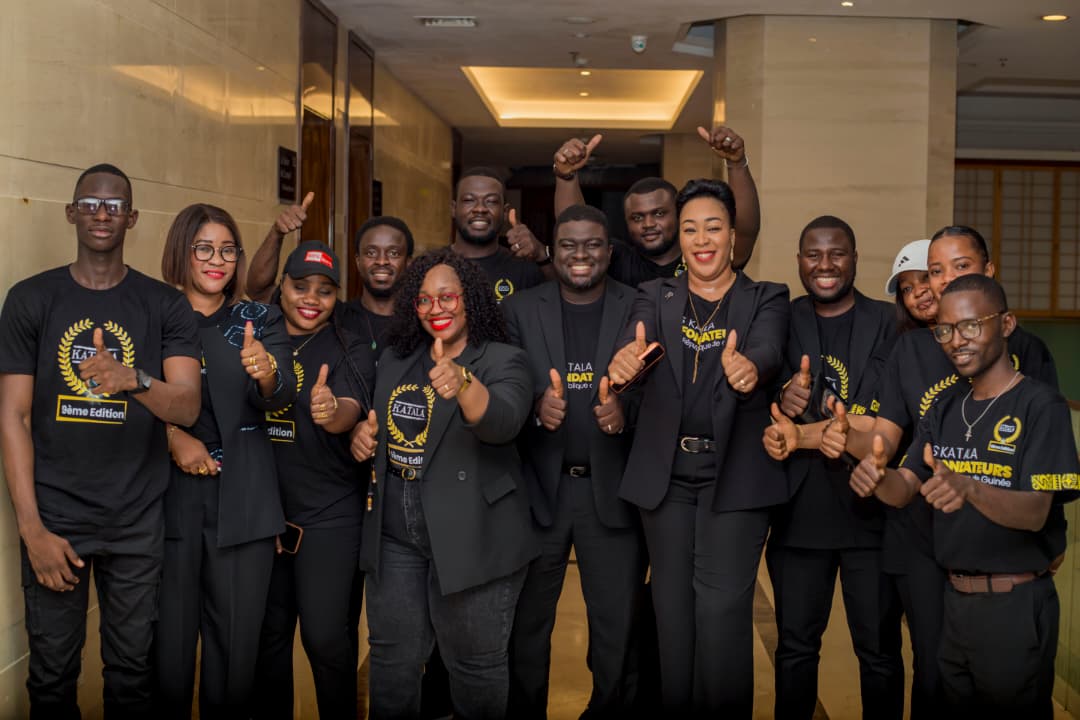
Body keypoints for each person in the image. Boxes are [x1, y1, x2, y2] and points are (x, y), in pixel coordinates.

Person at [814, 227, 1060, 717]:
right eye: (933, 273)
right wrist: (872, 470)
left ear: (1004, 321)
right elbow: (902, 474)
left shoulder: (1036, 393)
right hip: (946, 570)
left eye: (959, 268)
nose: (942, 282)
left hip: (1012, 583)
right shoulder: (943, 402)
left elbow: (1038, 504)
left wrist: (977, 492)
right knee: (937, 679)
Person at [0, 163, 201, 717]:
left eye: (114, 205)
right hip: (56, 518)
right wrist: (31, 529)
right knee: (52, 676)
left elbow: (187, 405)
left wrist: (133, 379)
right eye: (90, 203)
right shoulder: (30, 299)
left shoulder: (164, 305)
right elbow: (13, 417)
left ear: (132, 218)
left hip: (137, 519)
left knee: (132, 677)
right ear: (71, 212)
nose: (102, 213)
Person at [607, 178, 789, 715]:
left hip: (735, 475)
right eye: (690, 229)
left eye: (713, 227)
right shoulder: (654, 294)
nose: (702, 240)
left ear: (734, 235)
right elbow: (630, 346)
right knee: (673, 614)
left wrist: (750, 367)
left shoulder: (765, 296)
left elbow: (769, 347)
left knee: (721, 613)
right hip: (665, 478)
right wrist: (622, 363)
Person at [352, 249, 538, 719]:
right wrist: (362, 437)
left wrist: (463, 383)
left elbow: (502, 422)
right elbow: (379, 423)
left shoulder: (505, 359)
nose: (436, 308)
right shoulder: (396, 359)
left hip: (474, 529)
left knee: (474, 665)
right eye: (424, 300)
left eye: (447, 297)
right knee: (392, 660)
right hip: (395, 531)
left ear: (469, 299)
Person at [503, 205, 645, 718]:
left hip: (612, 493)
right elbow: (503, 384)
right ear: (554, 250)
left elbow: (658, 388)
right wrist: (534, 407)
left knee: (616, 629)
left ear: (609, 251)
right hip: (538, 494)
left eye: (592, 245)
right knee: (526, 628)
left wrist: (624, 414)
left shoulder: (638, 306)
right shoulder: (520, 309)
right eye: (568, 244)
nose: (580, 254)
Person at [155, 204, 296, 719]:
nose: (218, 260)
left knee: (235, 658)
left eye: (228, 250)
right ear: (182, 251)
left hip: (244, 502)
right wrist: (173, 436)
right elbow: (129, 397)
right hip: (168, 501)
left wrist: (265, 372)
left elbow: (282, 394)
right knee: (167, 655)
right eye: (205, 249)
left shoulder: (259, 318)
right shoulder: (153, 313)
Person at [765, 216, 903, 719]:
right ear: (799, 260)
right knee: (795, 650)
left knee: (880, 652)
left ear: (855, 259)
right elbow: (759, 392)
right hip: (799, 513)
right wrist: (783, 392)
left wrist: (811, 430)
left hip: (873, 513)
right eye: (814, 254)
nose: (825, 264)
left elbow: (889, 411)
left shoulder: (890, 321)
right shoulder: (780, 317)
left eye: (837, 253)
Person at [252, 242, 374, 720]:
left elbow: (351, 409)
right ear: (281, 286)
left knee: (325, 639)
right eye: (300, 286)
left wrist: (331, 410)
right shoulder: (256, 336)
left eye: (324, 290)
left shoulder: (350, 345)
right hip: (264, 512)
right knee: (269, 640)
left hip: (329, 514)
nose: (311, 299)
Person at [552, 126, 761, 287]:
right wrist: (566, 177)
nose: (648, 224)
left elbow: (745, 231)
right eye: (637, 217)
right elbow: (575, 227)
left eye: (659, 213)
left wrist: (736, 163)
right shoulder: (618, 260)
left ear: (679, 214)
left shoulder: (703, 253)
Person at [450, 168, 546, 301]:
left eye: (491, 201)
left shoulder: (525, 271)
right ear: (454, 209)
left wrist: (542, 254)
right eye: (469, 200)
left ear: (505, 212)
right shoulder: (431, 266)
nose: (480, 209)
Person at [337, 215, 415, 353]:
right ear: (358, 262)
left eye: (393, 253)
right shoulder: (338, 318)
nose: (381, 261)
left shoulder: (420, 323)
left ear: (408, 263)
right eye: (371, 253)